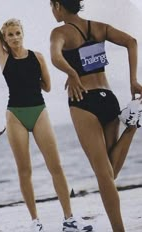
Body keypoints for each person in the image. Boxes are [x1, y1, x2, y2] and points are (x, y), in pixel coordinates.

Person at [0, 18, 93, 232]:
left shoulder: (38, 57)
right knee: (24, 170)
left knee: (56, 166)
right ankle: (35, 221)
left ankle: (69, 219)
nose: (15, 38)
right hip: (15, 116)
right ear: (5, 39)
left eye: (18, 33)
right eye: (10, 35)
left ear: (23, 33)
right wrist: (3, 36)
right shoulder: (4, 57)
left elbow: (47, 86)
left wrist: (31, 81)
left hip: (39, 111)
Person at [49, 0, 142, 231]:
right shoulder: (99, 27)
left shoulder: (60, 32)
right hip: (108, 97)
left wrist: (71, 73)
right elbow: (132, 42)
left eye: (52, 6)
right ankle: (132, 128)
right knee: (110, 172)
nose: (52, 11)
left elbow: (55, 56)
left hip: (83, 100)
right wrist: (133, 80)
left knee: (104, 174)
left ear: (58, 5)